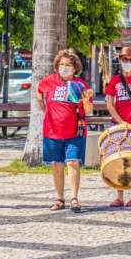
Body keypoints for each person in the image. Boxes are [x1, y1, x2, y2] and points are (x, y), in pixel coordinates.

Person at [37, 49, 94, 213]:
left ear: (75, 68)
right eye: (61, 64)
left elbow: (89, 110)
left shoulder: (81, 85)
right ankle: (59, 198)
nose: (64, 67)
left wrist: (86, 100)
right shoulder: (49, 81)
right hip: (52, 131)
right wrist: (45, 110)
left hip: (75, 131)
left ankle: (74, 198)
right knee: (56, 164)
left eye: (68, 64)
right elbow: (39, 92)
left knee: (72, 162)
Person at [105, 46, 131, 208]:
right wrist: (120, 121)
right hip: (119, 125)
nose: (127, 62)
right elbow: (109, 103)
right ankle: (119, 196)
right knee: (118, 160)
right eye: (124, 59)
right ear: (120, 60)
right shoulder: (115, 80)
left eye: (130, 59)